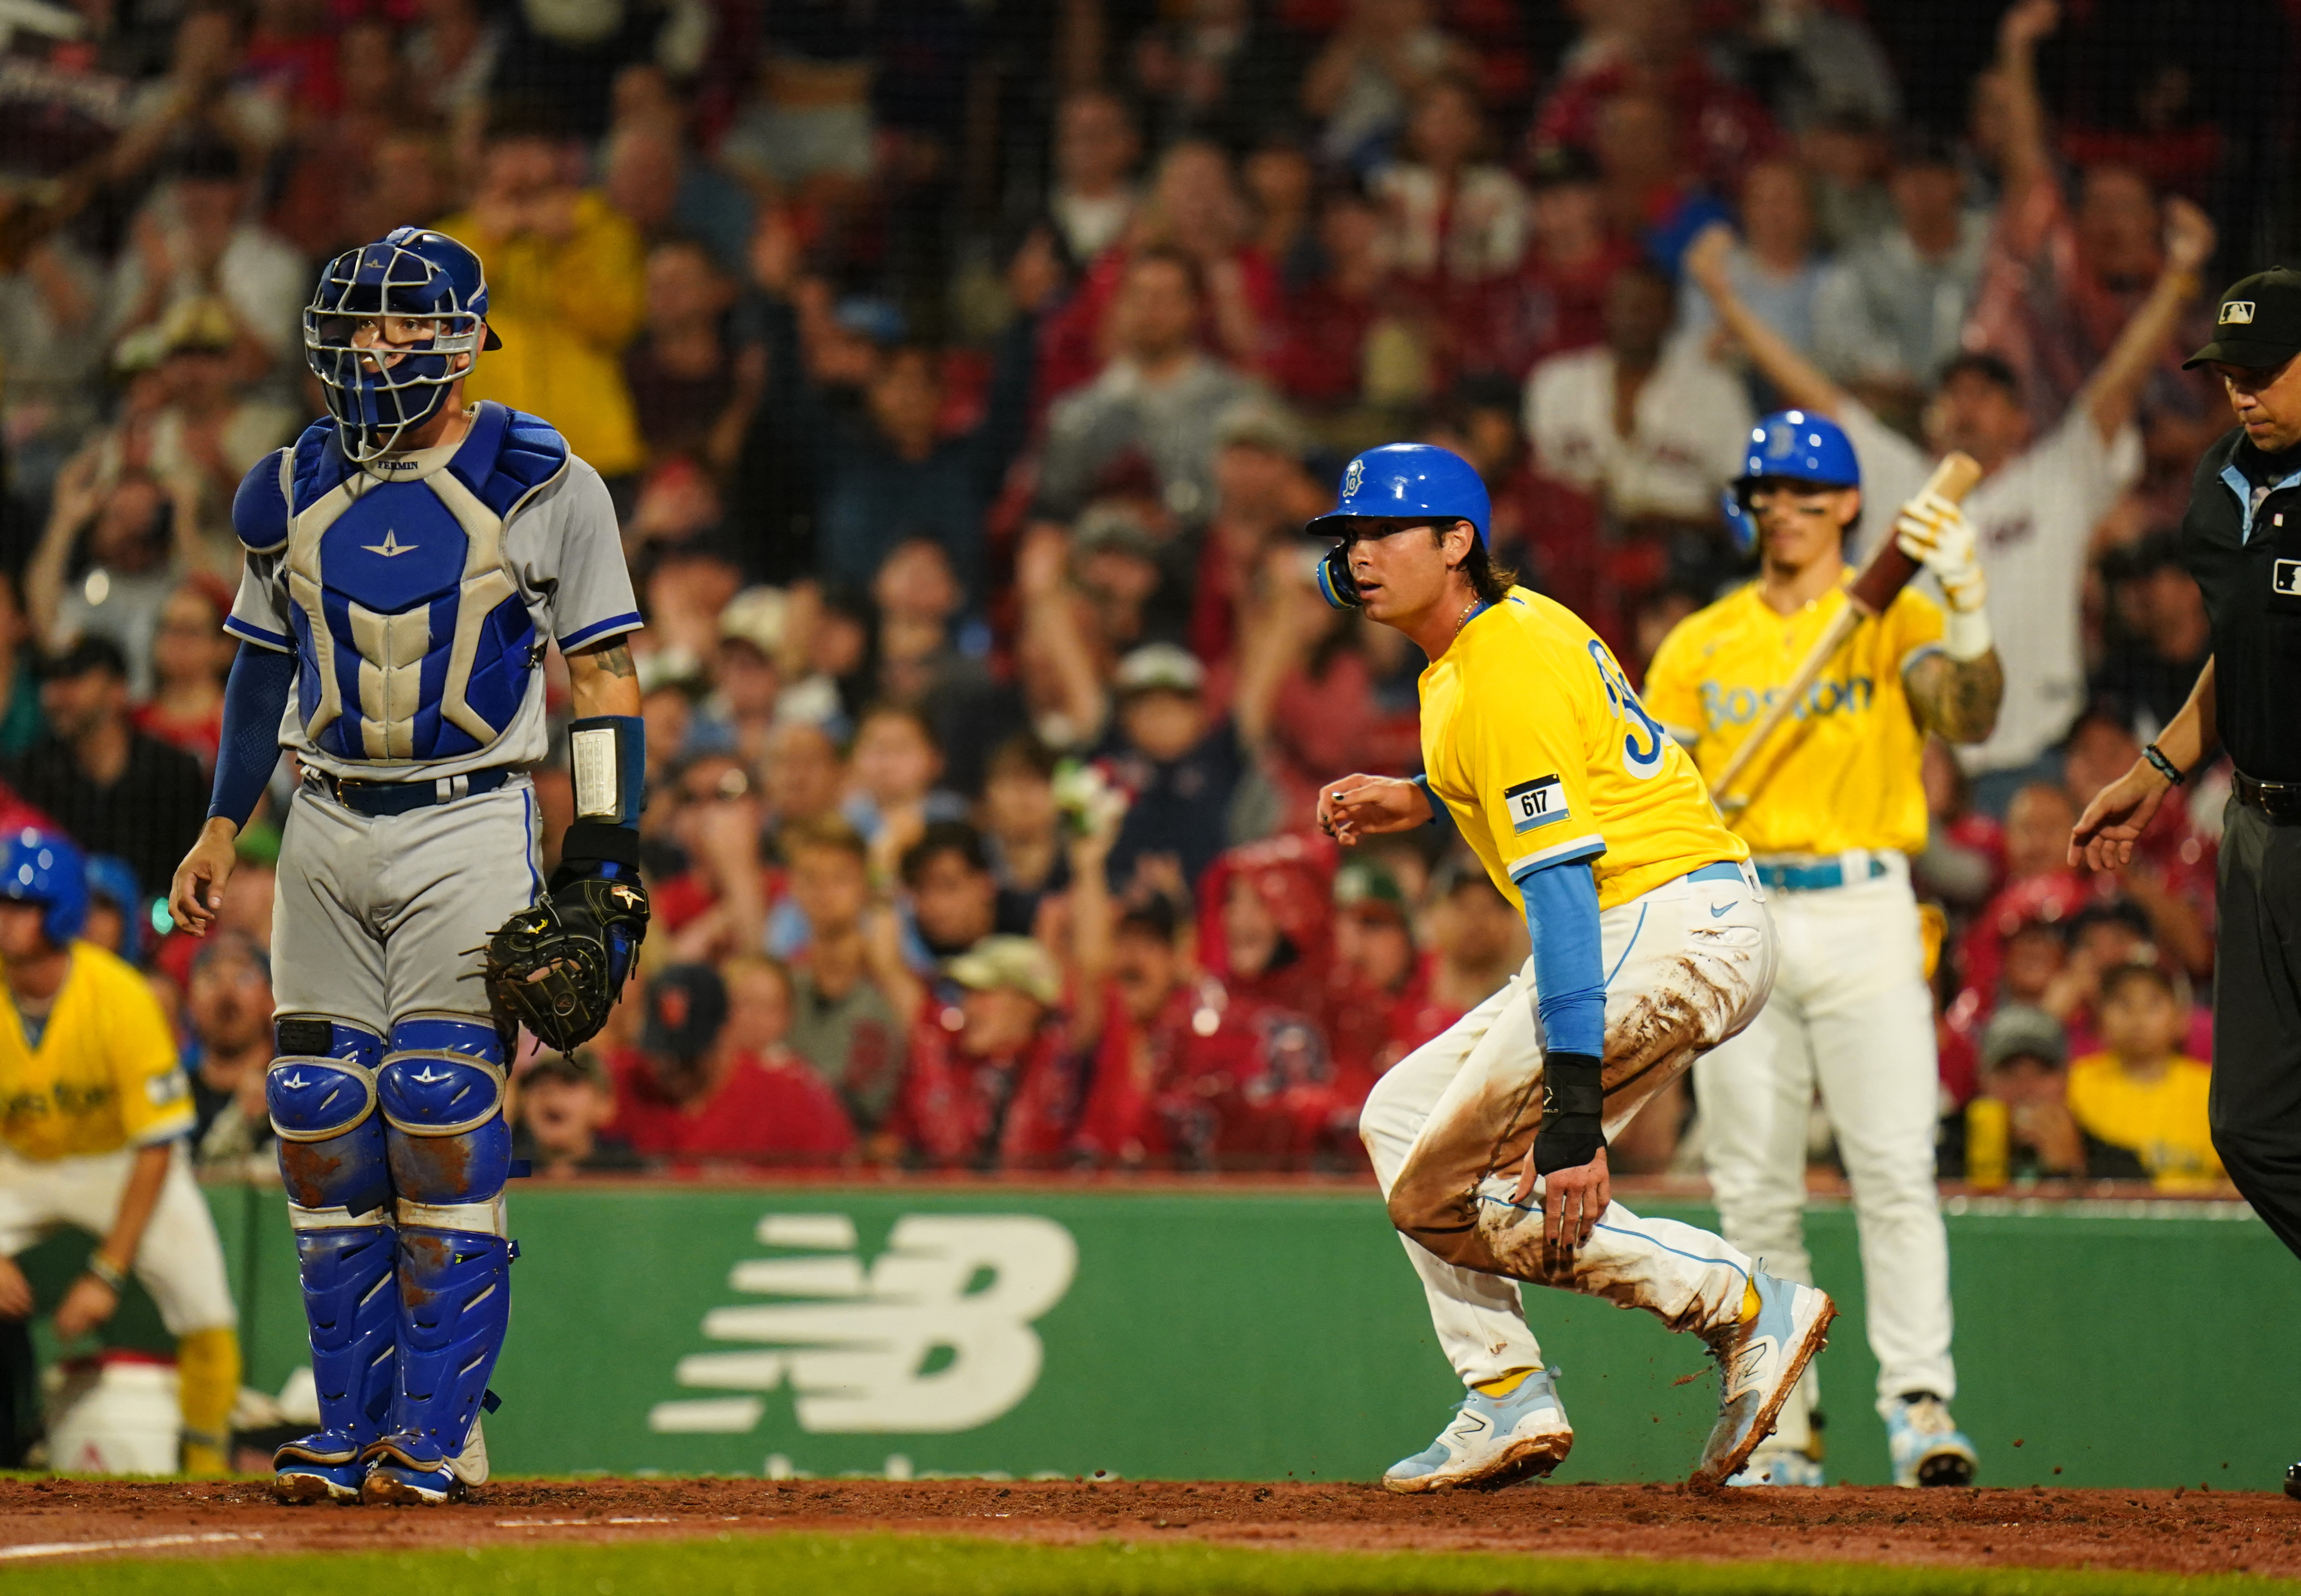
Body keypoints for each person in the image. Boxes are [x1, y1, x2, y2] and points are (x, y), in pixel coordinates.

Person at [165, 228, 652, 1507]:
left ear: (456, 339)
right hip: (322, 815)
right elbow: (261, 662)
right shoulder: (285, 485)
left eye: (395, 327)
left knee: (440, 1108)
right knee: (320, 1113)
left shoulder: (544, 478)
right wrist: (224, 821)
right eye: (356, 327)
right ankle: (352, 1425)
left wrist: (606, 846)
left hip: (471, 813)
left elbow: (601, 674)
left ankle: (439, 1433)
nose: (368, 350)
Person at [1311, 442, 1831, 1492]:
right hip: (1670, 916)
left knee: (1449, 1190)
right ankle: (1503, 1390)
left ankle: (1737, 1302)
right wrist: (1421, 793)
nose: (1358, 554)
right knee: (1400, 1118)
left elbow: (1558, 889)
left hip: (1660, 921)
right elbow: (1559, 759)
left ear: (1457, 540)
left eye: (1383, 532)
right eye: (1348, 537)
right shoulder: (1495, 638)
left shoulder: (1496, 664)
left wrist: (1572, 1113)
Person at [1641, 409, 2004, 1488]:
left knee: (1894, 1168)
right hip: (1746, 905)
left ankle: (1917, 1403)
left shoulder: (1889, 620)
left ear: (1848, 506)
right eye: (1768, 496)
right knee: (1753, 1187)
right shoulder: (1702, 641)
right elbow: (1654, 792)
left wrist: (1970, 609)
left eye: (1807, 496)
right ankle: (1781, 1419)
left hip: (1861, 903)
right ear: (1746, 508)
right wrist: (1700, 807)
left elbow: (1970, 715)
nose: (1786, 514)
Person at [1686, 200, 2211, 794]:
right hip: (1912, 758)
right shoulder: (1898, 477)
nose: (1966, 405)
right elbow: (1813, 393)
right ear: (1933, 418)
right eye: (1954, 393)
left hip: (2034, 760)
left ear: (2020, 420)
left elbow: (2120, 382)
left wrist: (2178, 276)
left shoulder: (2057, 479)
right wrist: (1725, 299)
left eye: (1985, 394)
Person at [2068, 265, 2301, 1496]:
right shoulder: (2224, 484)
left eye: (2268, 372)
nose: (2246, 395)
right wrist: (2156, 768)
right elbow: (2237, 644)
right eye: (2232, 376)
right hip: (2259, 825)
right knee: (2253, 1125)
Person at [0, 830, 241, 1475]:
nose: (6, 919)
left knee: (208, 1312)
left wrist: (107, 1271)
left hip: (122, 1164)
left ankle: (206, 1467)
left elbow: (158, 1146)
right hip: (16, 1163)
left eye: (21, 905)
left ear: (62, 911)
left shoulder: (120, 996)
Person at [11, 636, 208, 901]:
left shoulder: (174, 773)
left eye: (75, 678)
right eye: (51, 680)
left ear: (119, 689)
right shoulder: (28, 775)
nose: (57, 694)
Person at [2065, 963, 2222, 1192]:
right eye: (2124, 1004)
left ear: (2180, 1019)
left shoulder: (2213, 1091)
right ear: (2101, 1018)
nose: (2138, 1017)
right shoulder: (2073, 1085)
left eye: (2153, 1005)